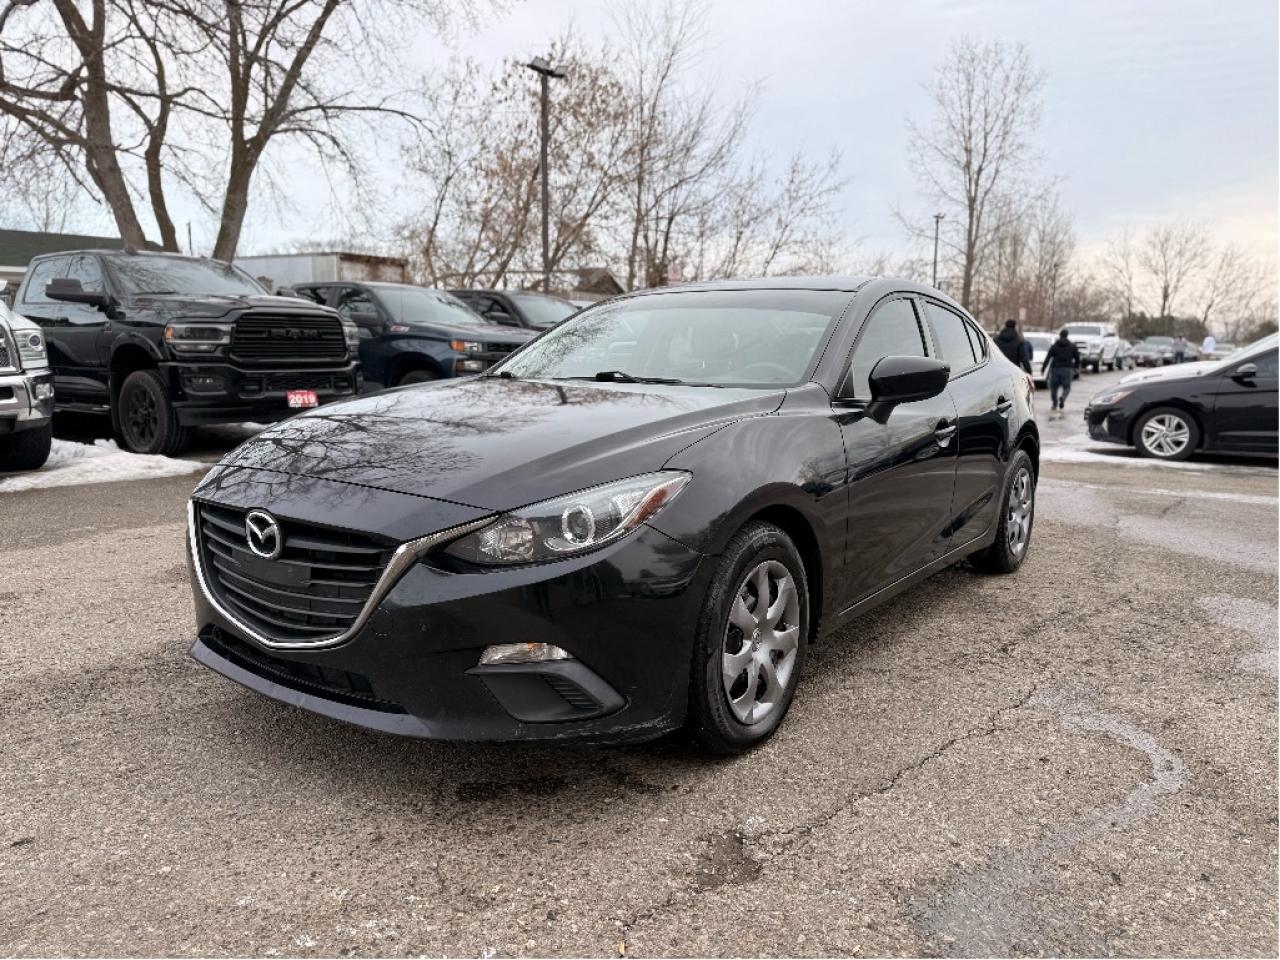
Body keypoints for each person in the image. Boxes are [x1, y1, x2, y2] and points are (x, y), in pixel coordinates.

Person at [1041, 328, 1080, 418]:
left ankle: (1054, 404)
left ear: (1060, 335)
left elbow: (1048, 357)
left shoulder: (1054, 346)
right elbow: (1077, 358)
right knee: (1067, 387)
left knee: (1054, 388)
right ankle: (1063, 397)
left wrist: (1043, 368)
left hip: (1055, 369)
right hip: (1067, 369)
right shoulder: (1072, 346)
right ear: (1067, 335)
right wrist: (1076, 367)